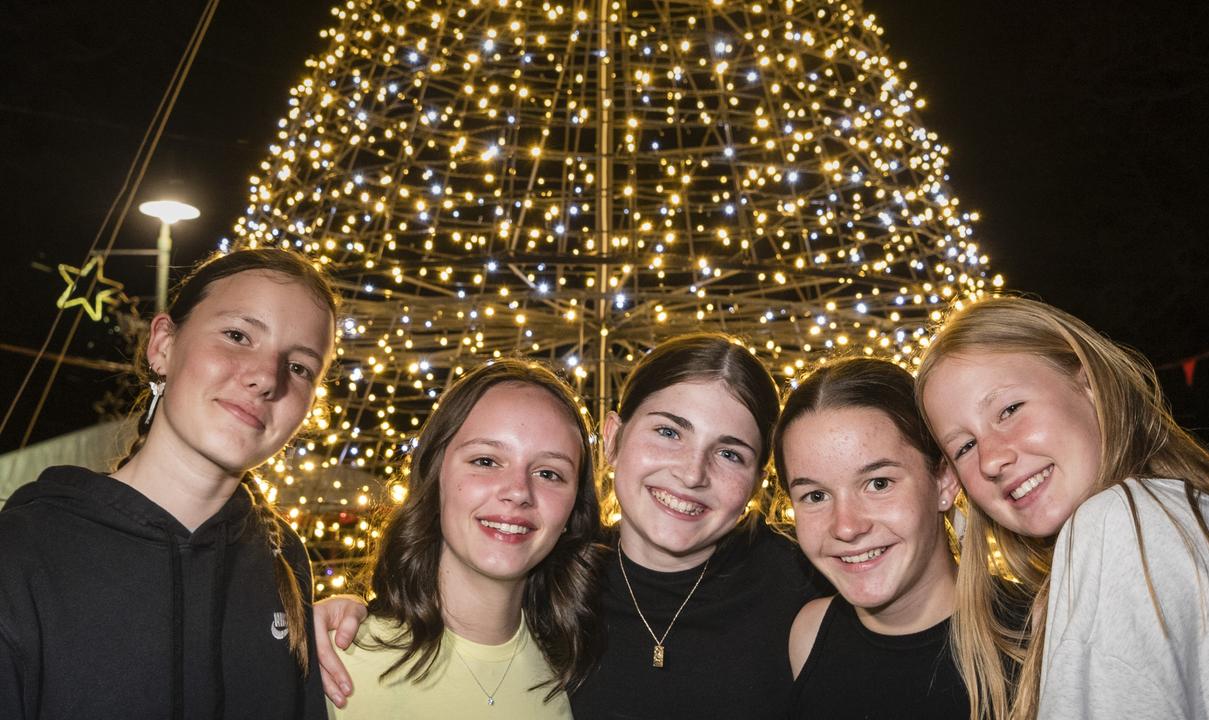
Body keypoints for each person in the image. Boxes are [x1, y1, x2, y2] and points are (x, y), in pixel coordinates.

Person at [318, 333, 822, 719]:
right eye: (668, 431)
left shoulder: (807, 578)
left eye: (730, 452)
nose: (693, 473)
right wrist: (342, 613)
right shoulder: (560, 579)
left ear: (759, 479)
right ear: (613, 440)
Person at [0, 248, 336, 718]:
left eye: (299, 367)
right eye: (238, 335)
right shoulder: (22, 553)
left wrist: (362, 637)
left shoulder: (283, 559)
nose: (266, 378)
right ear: (162, 345)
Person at [917, 295, 1209, 720]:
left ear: (1087, 383)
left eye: (1009, 410)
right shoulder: (1180, 515)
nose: (991, 459)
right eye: (965, 446)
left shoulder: (1121, 522)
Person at [325, 359, 602, 719]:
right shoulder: (336, 661)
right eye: (486, 461)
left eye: (549, 473)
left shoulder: (582, 674)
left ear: (572, 509)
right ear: (434, 474)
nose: (518, 492)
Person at [774, 357, 967, 719]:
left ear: (943, 480)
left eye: (879, 483)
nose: (846, 527)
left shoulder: (1038, 632)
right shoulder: (810, 632)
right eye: (815, 496)